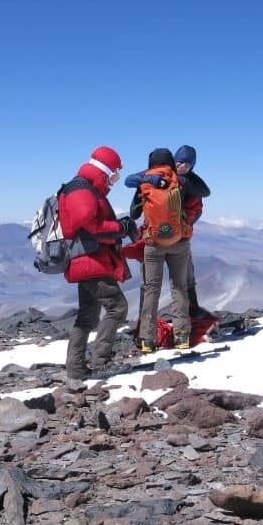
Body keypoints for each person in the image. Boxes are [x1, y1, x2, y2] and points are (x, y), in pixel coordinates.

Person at [58, 145, 136, 379]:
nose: (114, 181)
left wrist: (118, 227)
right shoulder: (82, 189)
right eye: (113, 174)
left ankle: (76, 369)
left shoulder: (84, 187)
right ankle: (101, 363)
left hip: (86, 261)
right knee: (117, 307)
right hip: (91, 261)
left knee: (88, 315)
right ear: (104, 169)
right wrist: (119, 229)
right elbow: (88, 226)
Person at [131, 148, 192, 353]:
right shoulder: (181, 182)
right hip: (179, 241)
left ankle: (147, 340)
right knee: (179, 287)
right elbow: (200, 196)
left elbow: (133, 213)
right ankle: (182, 336)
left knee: (152, 289)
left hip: (153, 243)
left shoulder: (145, 182)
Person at [172, 145, 211, 317]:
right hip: (166, 236)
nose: (182, 167)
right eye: (179, 162)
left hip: (178, 237)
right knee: (152, 283)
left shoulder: (191, 184)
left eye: (187, 165)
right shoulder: (162, 176)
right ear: (174, 160)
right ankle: (145, 327)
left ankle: (192, 312)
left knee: (186, 278)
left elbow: (205, 194)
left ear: (192, 167)